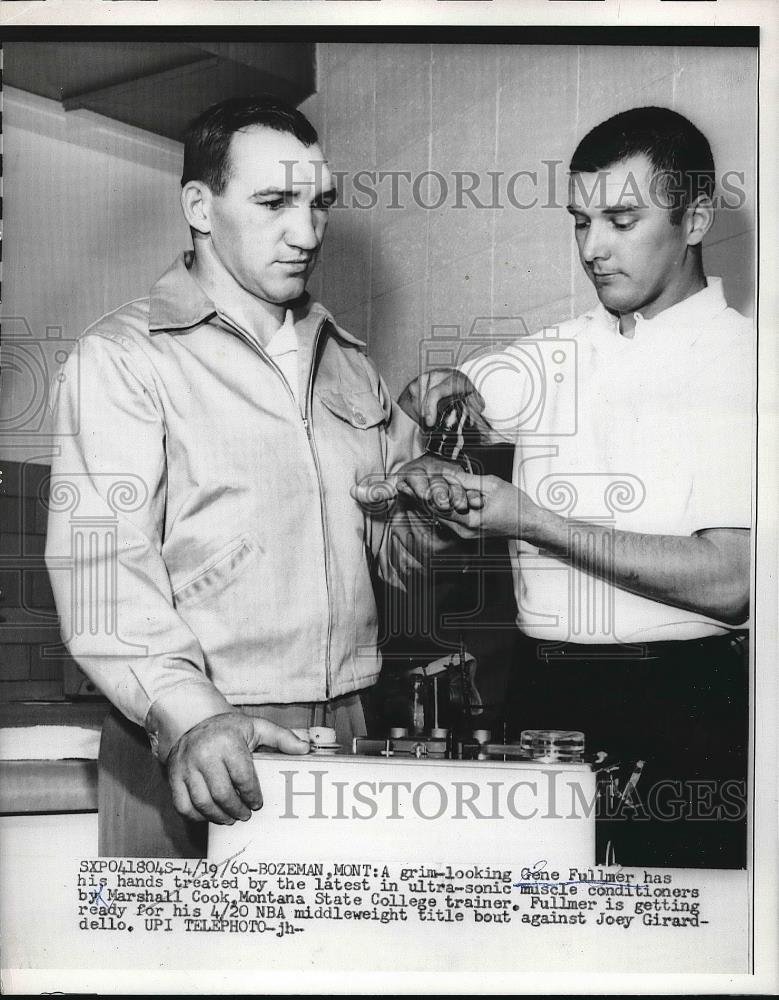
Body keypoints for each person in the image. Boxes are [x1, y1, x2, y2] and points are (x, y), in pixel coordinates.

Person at [45, 96, 442, 858]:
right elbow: (100, 567)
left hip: (347, 725)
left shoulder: (351, 364)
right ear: (199, 205)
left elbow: (395, 558)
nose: (307, 233)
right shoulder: (126, 358)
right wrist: (190, 715)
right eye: (273, 203)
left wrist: (435, 500)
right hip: (198, 734)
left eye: (318, 203)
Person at [376, 107, 753, 867]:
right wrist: (438, 403)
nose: (591, 249)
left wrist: (531, 520)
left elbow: (729, 580)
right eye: (579, 221)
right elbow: (449, 399)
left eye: (620, 219)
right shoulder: (560, 349)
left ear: (695, 219)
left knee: (668, 953)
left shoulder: (746, 360)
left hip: (681, 708)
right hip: (540, 698)